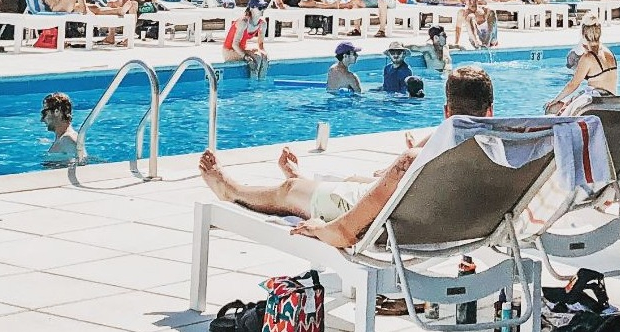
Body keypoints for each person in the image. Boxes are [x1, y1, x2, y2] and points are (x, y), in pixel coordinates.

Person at [197, 67, 497, 249]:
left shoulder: (412, 162)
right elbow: (454, 133)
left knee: (289, 191)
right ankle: (304, 182)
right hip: (450, 225)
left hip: (391, 228)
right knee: (353, 180)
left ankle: (231, 190)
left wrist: (322, 229)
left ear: (446, 111)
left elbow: (347, 232)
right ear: (490, 111)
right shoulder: (505, 152)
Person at [547, 21, 617, 114]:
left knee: (551, 109)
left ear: (583, 35)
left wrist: (555, 100)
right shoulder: (609, 52)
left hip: (596, 101)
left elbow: (573, 85)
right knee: (566, 104)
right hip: (611, 99)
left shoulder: (588, 57)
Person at [222, 0, 271, 77]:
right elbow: (234, 44)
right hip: (229, 50)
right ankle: (253, 82)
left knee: (264, 58)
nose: (262, 10)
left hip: (242, 49)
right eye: (260, 8)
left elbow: (260, 45)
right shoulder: (243, 22)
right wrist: (245, 56)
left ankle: (262, 82)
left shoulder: (262, 23)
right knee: (257, 58)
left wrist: (264, 53)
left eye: (264, 7)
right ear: (251, 9)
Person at [40, 92, 81, 164]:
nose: (42, 119)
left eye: (44, 113)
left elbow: (80, 166)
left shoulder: (68, 140)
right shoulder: (61, 139)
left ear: (57, 111)